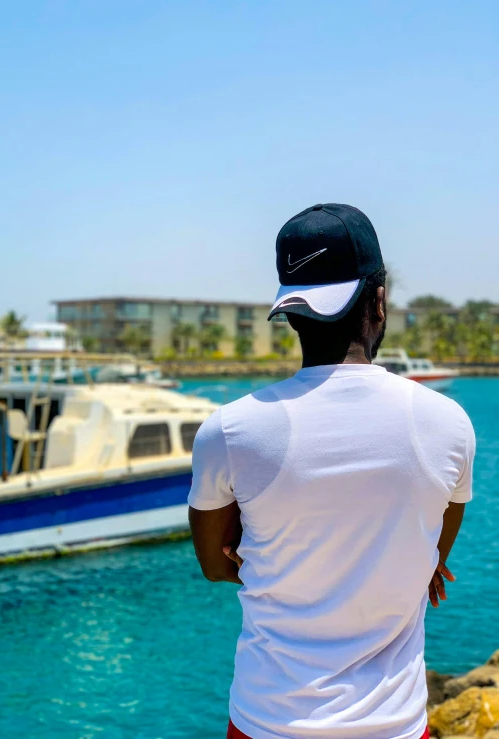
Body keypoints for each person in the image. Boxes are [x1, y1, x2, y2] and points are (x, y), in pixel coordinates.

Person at [188, 203, 475, 739]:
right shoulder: (449, 423)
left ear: (290, 312)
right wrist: (406, 563)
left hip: (266, 722)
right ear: (380, 301)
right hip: (396, 725)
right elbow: (432, 555)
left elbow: (216, 564)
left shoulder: (230, 431)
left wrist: (272, 557)